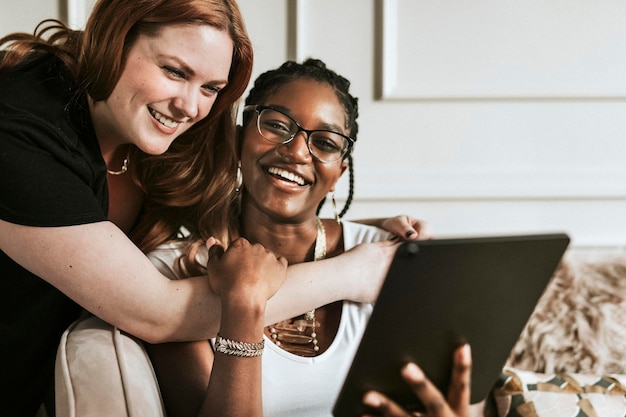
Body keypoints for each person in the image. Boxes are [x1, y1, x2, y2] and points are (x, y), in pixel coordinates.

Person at [0, 2, 427, 415]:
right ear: (115, 39)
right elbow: (159, 311)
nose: (190, 107)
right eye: (173, 71)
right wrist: (356, 272)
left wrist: (364, 233)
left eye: (210, 88)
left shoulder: (154, 131)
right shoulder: (17, 135)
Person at [146, 58, 469, 417]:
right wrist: (244, 302)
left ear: (339, 172)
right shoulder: (174, 272)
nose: (297, 151)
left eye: (326, 143)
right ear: (238, 140)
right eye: (276, 125)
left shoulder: (390, 256)